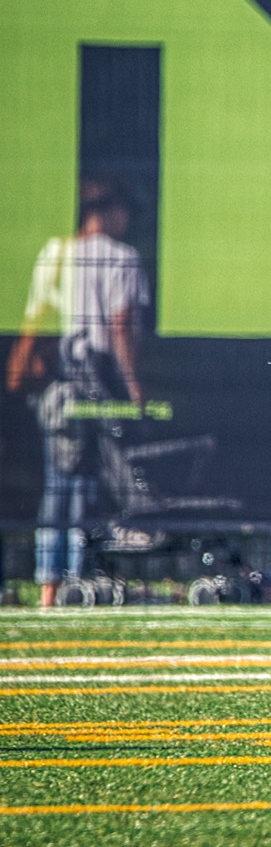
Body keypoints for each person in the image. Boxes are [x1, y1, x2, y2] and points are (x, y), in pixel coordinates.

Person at [7, 179, 147, 607]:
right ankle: (74, 578)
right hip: (96, 380)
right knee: (90, 482)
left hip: (58, 387)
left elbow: (36, 318)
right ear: (108, 210)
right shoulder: (121, 258)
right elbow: (120, 327)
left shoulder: (57, 252)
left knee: (59, 483)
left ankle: (51, 586)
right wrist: (135, 390)